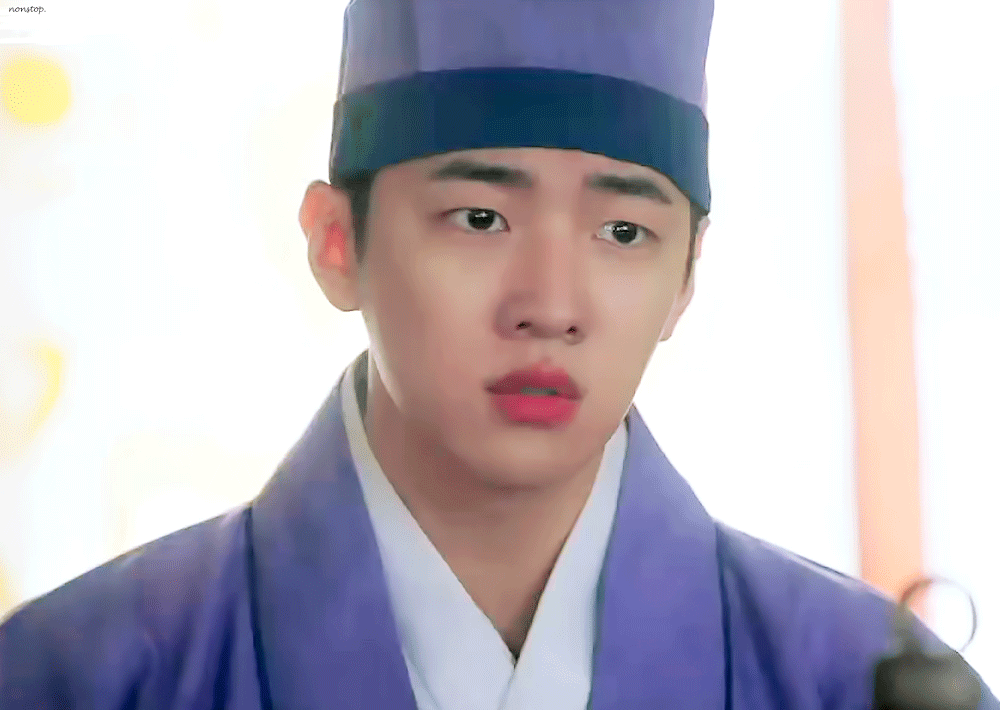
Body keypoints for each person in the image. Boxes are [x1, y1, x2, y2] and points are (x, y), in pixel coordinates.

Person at [2, 0, 997, 708]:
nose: (550, 306)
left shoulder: (865, 684)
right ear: (337, 243)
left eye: (622, 232)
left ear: (686, 278)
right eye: (480, 217)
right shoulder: (78, 677)